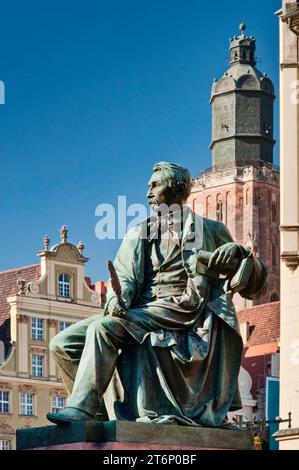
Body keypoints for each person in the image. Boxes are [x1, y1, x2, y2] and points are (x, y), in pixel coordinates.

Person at [47, 162, 267, 427]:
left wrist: (241, 255)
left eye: (155, 185)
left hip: (185, 311)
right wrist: (118, 299)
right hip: (144, 310)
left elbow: (256, 285)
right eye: (148, 187)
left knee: (102, 330)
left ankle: (80, 411)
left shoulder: (210, 230)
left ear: (176, 189)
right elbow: (125, 277)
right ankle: (95, 417)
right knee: (61, 344)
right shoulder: (139, 232)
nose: (148, 193)